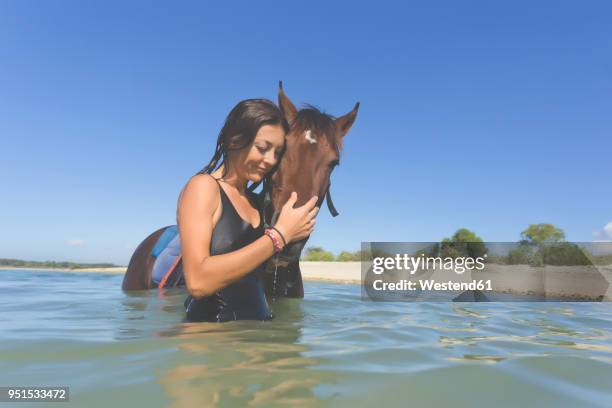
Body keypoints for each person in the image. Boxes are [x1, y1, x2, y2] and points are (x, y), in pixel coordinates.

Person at [177, 99, 319, 322]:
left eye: (277, 152)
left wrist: (295, 231)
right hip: (211, 344)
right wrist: (280, 235)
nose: (270, 160)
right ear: (235, 139)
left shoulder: (256, 202)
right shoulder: (203, 187)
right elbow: (198, 282)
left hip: (255, 340)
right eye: (262, 149)